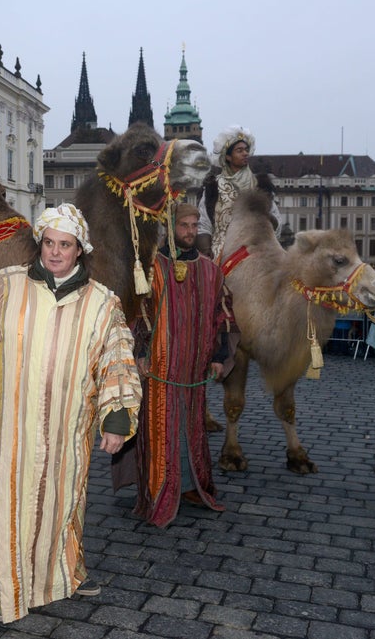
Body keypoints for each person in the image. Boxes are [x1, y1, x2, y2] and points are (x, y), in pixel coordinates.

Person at [0, 204, 141, 624]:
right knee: (10, 506)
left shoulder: (103, 304)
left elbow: (118, 359)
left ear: (79, 250)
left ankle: (64, 575)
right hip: (12, 426)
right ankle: (10, 590)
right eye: (49, 243)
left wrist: (116, 417)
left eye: (65, 245)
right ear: (40, 244)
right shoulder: (4, 286)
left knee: (62, 503)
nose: (55, 253)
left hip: (68, 427)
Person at [113, 203, 229, 527]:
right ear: (171, 228)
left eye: (194, 226)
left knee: (191, 428)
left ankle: (192, 487)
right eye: (184, 226)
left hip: (194, 370)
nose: (190, 232)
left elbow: (220, 318)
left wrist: (219, 358)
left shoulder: (211, 271)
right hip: (160, 367)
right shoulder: (152, 268)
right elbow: (139, 313)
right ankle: (160, 489)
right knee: (161, 428)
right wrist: (140, 351)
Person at [199, 125, 279, 260]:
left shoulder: (260, 186)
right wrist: (207, 253)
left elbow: (276, 221)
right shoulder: (213, 187)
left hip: (256, 255)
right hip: (222, 256)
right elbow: (204, 224)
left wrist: (267, 219)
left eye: (246, 150)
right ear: (228, 156)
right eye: (239, 150)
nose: (245, 153)